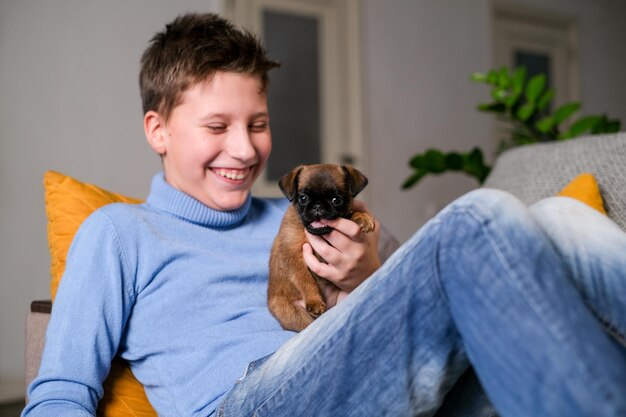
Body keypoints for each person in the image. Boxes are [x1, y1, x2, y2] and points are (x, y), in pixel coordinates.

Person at [23, 12, 626, 417]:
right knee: (480, 220)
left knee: (553, 218)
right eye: (217, 127)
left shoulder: (302, 213)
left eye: (257, 125)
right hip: (248, 397)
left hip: (350, 371)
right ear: (157, 129)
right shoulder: (119, 232)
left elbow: (435, 296)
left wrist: (368, 274)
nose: (244, 148)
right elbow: (62, 387)